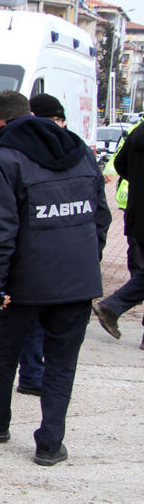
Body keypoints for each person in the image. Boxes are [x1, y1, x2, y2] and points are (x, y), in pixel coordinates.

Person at [0, 90, 109, 467]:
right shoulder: (82, 152)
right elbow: (100, 218)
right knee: (62, 363)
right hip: (77, 278)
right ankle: (51, 442)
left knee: (2, 354)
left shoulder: (3, 157)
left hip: (24, 280)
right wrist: (88, 260)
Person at [92, 104, 144, 349]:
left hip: (136, 214)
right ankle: (113, 305)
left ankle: (114, 307)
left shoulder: (137, 131)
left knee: (141, 271)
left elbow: (121, 164)